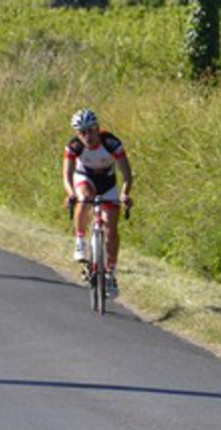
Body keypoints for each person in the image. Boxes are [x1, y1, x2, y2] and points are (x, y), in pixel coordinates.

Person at [63, 108, 133, 297]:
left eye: (91, 130)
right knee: (85, 197)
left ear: (97, 128)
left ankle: (111, 272)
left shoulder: (111, 143)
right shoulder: (74, 146)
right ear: (77, 133)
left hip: (108, 182)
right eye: (82, 132)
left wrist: (125, 194)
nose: (88, 136)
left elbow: (127, 175)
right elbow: (67, 175)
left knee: (111, 228)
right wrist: (70, 194)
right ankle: (80, 241)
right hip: (85, 177)